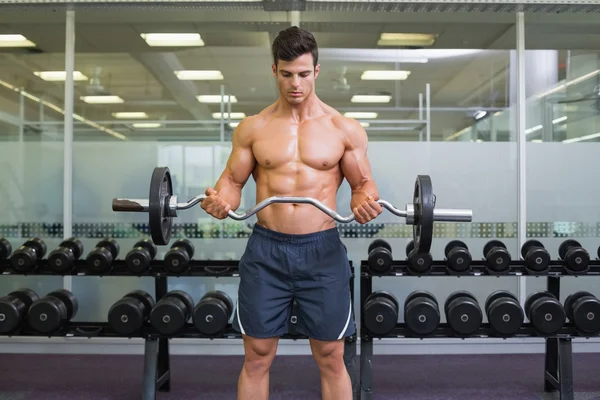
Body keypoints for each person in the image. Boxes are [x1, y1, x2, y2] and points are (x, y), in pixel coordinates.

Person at [201, 26, 382, 400]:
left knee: (332, 355)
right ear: (274, 71)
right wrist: (221, 202)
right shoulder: (253, 128)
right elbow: (231, 184)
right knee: (257, 355)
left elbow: (363, 185)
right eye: (286, 74)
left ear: (316, 71)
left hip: (322, 250)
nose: (295, 83)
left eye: (303, 74)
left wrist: (362, 203)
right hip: (267, 250)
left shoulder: (343, 129)